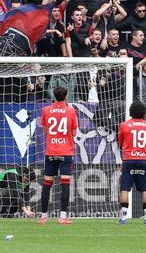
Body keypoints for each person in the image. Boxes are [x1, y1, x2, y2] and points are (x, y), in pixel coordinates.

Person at [39, 86, 78, 225]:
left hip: (51, 151)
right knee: (65, 184)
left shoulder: (46, 110)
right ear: (66, 96)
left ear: (54, 96)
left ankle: (43, 216)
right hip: (66, 151)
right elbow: (74, 133)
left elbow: (45, 130)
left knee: (47, 184)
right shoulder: (71, 111)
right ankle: (62, 217)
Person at [117, 100, 146, 225]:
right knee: (145, 189)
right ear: (144, 112)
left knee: (125, 189)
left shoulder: (124, 125)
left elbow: (120, 143)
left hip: (128, 160)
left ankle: (124, 217)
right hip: (142, 160)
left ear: (130, 111)